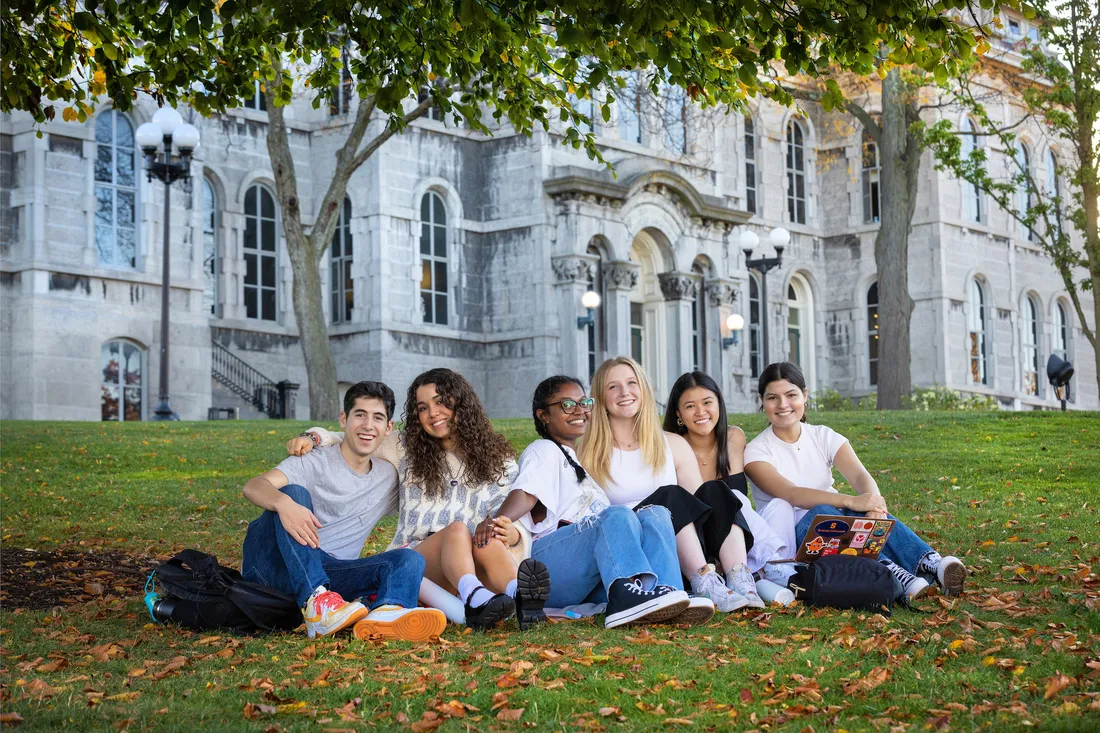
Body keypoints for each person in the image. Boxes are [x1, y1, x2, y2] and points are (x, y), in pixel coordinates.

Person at [289, 368, 550, 629]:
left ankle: (520, 596)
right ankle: (474, 597)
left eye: (440, 402)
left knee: (489, 537)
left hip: (477, 568)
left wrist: (511, 535)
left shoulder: (498, 461)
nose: (433, 413)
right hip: (419, 567)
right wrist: (315, 436)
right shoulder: (406, 448)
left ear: (461, 403)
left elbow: (514, 523)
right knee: (457, 531)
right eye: (423, 408)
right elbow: (359, 436)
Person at [480, 375, 697, 628]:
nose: (579, 411)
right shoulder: (544, 449)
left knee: (656, 514)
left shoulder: (579, 465)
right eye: (567, 405)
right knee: (617, 514)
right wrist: (497, 520)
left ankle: (666, 595)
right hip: (547, 572)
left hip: (589, 578)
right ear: (543, 415)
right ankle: (626, 596)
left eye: (584, 403)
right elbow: (527, 493)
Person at [241, 380, 446, 641]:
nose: (368, 425)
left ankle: (387, 614)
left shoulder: (387, 477)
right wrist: (284, 504)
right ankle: (316, 604)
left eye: (378, 418)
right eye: (360, 415)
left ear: (388, 428)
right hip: (274, 568)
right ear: (343, 419)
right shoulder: (315, 460)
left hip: (333, 576)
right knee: (293, 493)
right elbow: (254, 486)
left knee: (409, 559)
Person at [743, 362, 967, 598]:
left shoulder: (822, 435)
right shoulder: (756, 451)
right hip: (795, 539)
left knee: (858, 513)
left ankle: (932, 563)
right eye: (773, 398)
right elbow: (791, 493)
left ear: (805, 395)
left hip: (838, 521)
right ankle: (891, 570)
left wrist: (875, 507)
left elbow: (860, 475)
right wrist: (852, 501)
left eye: (791, 395)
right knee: (825, 511)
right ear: (762, 401)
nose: (783, 405)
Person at [578, 356, 746, 614]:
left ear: (643, 389)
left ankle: (740, 579)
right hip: (635, 551)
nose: (625, 392)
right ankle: (702, 579)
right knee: (668, 496)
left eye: (631, 383)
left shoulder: (672, 444)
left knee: (715, 490)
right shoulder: (589, 454)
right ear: (600, 396)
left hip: (682, 546)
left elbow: (697, 508)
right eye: (613, 387)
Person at [663, 371, 794, 606]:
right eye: (690, 406)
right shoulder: (672, 445)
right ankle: (771, 568)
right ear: (679, 414)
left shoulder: (733, 437)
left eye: (707, 402)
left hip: (735, 536)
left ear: (719, 404)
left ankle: (749, 575)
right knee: (730, 495)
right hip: (695, 538)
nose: (701, 412)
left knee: (754, 501)